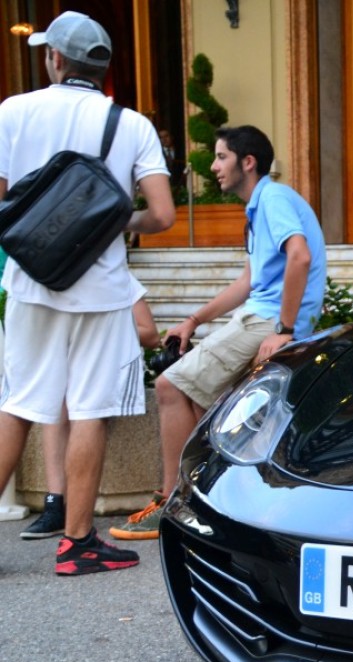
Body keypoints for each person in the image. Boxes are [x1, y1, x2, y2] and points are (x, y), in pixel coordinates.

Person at [0, 11, 175, 575]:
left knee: (17, 405)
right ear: (102, 69)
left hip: (30, 279)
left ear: (54, 59)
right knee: (91, 412)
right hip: (100, 288)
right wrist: (112, 224)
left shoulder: (13, 112)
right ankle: (77, 545)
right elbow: (164, 215)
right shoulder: (131, 124)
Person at [110, 125, 327, 541]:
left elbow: (299, 257)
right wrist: (194, 319)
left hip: (265, 321)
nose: (213, 167)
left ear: (248, 162)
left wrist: (284, 329)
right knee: (206, 407)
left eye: (221, 156)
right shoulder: (259, 207)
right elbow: (248, 281)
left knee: (172, 385)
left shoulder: (274, 198)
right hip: (257, 315)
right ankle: (206, 502)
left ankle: (174, 503)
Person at [20, 295, 162, 540]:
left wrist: (104, 327)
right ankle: (55, 505)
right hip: (74, 378)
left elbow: (151, 335)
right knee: (57, 398)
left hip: (107, 373)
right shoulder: (62, 287)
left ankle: (71, 521)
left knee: (73, 400)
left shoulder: (118, 281)